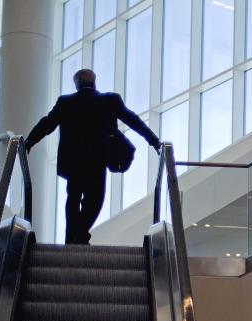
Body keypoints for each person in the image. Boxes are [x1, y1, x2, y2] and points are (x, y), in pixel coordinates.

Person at [24, 68, 160, 245]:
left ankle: (72, 239)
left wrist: (29, 142)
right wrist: (154, 141)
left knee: (73, 199)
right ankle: (80, 235)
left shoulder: (66, 102)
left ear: (76, 84)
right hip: (98, 160)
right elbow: (134, 121)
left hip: (73, 163)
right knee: (95, 200)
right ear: (94, 82)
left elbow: (46, 124)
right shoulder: (110, 100)